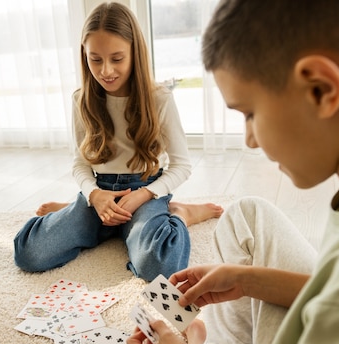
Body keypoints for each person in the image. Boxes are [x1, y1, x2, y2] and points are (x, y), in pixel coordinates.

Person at [126, 0, 339, 344]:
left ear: (321, 89)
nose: (250, 140)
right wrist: (246, 280)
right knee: (247, 215)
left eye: (249, 113)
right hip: (335, 335)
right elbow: (334, 290)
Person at [14, 2, 222, 282]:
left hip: (145, 191)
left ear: (135, 53)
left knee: (159, 266)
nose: (106, 71)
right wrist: (93, 195)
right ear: (84, 56)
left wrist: (144, 195)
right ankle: (82, 214)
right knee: (28, 253)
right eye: (95, 59)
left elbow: (182, 166)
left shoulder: (159, 98)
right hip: (99, 194)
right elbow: (79, 163)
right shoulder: (81, 100)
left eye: (117, 58)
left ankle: (180, 214)